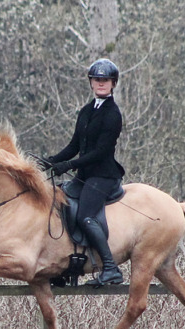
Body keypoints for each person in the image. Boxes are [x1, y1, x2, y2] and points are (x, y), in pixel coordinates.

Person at [45, 58, 125, 287]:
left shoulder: (113, 114)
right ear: (91, 82)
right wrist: (52, 161)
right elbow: (74, 146)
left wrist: (69, 165)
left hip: (103, 176)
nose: (101, 83)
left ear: (113, 83)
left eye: (105, 80)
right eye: (97, 79)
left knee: (85, 216)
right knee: (57, 204)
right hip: (85, 175)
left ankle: (110, 268)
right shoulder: (86, 111)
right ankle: (63, 265)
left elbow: (101, 152)